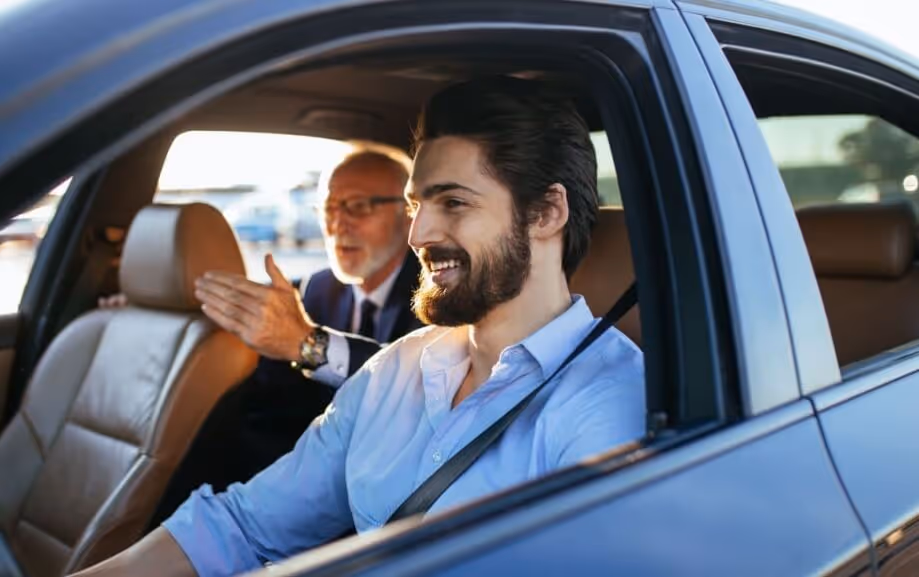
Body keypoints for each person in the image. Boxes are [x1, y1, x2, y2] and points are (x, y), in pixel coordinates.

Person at [72, 76, 646, 577]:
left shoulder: (604, 404)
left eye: (454, 203)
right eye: (416, 203)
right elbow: (241, 526)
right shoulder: (396, 368)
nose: (417, 234)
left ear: (546, 214)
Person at [149, 149, 425, 521]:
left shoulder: (435, 293)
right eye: (328, 208)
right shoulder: (318, 289)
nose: (338, 223)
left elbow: (419, 384)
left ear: (409, 212)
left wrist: (307, 344)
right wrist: (158, 304)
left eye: (358, 206)